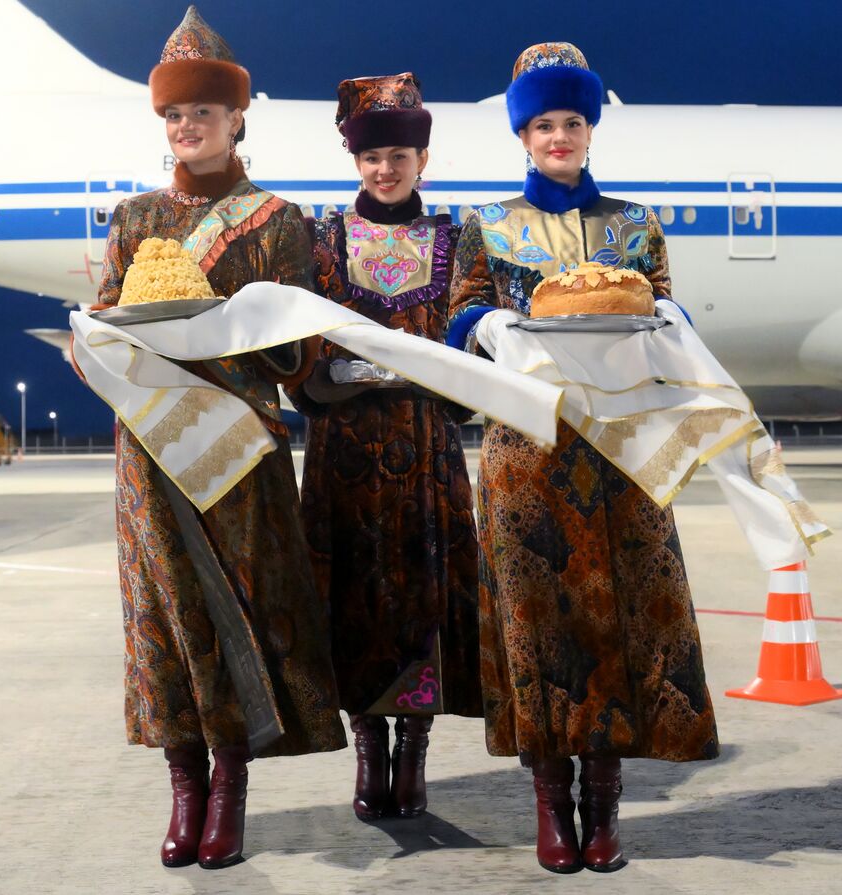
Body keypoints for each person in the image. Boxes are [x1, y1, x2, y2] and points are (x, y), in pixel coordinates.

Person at [446, 43, 719, 874]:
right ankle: (549, 808)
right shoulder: (486, 225)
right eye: (542, 125)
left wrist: (671, 321)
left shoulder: (636, 223)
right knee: (539, 635)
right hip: (525, 456)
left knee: (625, 626)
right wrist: (490, 326)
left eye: (572, 121)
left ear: (590, 129)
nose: (558, 136)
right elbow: (458, 317)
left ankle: (602, 810)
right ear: (522, 137)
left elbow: (665, 302)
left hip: (622, 450)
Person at [88, 6, 344, 870]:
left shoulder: (278, 221)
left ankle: (231, 786)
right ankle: (183, 785)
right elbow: (107, 329)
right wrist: (97, 339)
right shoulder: (131, 221)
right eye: (173, 114)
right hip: (152, 453)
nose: (187, 126)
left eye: (202, 112)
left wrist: (256, 328)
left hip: (239, 451)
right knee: (163, 619)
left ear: (237, 119)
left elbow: (298, 351)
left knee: (245, 605)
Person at [287, 73, 482, 823]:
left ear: (422, 160)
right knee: (354, 598)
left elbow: (470, 338)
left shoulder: (454, 237)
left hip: (426, 448)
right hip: (345, 450)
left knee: (422, 597)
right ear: (356, 161)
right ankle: (369, 747)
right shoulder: (323, 237)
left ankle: (416, 748)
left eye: (399, 155)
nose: (385, 169)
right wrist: (327, 374)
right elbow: (301, 339)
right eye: (372, 158)